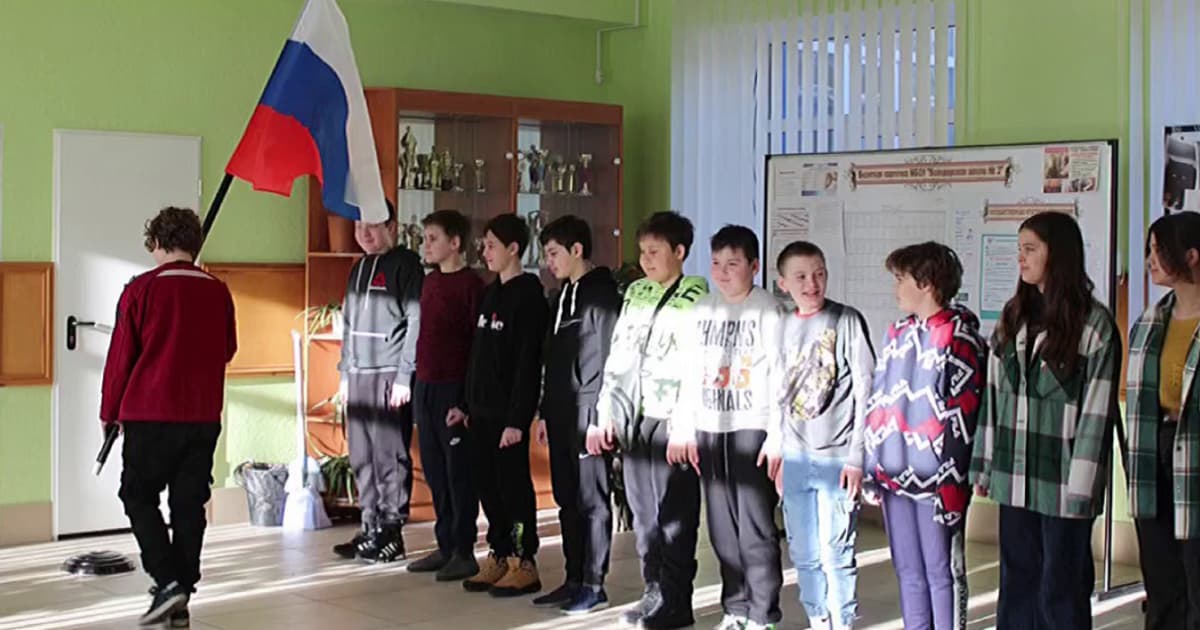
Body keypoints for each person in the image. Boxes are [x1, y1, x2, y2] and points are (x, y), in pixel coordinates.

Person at [969, 211, 1121, 630]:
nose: (1021, 258)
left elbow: (1096, 413)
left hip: (1065, 484)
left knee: (1061, 587)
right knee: (1017, 582)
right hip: (1015, 477)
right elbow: (993, 397)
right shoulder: (1013, 315)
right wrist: (983, 465)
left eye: (1030, 249)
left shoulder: (1094, 325)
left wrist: (1083, 491)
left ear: (1060, 254)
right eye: (1019, 249)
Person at [101, 207, 237, 627]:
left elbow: (121, 357)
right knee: (188, 503)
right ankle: (182, 590)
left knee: (138, 496)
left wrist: (110, 411)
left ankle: (166, 580)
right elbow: (228, 348)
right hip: (201, 415)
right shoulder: (219, 290)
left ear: (157, 243)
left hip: (149, 412)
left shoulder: (141, 290)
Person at [595, 211, 709, 629]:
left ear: (679, 253)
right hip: (636, 416)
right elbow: (619, 356)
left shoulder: (698, 298)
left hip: (674, 422)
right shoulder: (636, 293)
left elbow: (697, 368)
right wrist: (607, 411)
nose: (646, 260)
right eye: (642, 252)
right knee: (643, 513)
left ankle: (677, 599)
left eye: (655, 252)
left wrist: (685, 424)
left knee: (674, 515)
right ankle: (653, 590)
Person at [668, 225, 786, 630]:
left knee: (754, 527)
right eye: (716, 263)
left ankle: (763, 612)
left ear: (754, 266)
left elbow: (782, 377)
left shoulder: (767, 309)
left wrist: (777, 435)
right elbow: (687, 371)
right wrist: (683, 428)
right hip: (709, 427)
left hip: (751, 427)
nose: (722, 271)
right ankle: (735, 608)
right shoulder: (703, 308)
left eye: (732, 263)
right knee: (720, 529)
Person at [863, 242, 986, 630]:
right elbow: (878, 402)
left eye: (901, 279)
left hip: (938, 484)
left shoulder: (961, 340)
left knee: (941, 571)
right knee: (906, 567)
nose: (895, 288)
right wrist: (873, 466)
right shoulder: (896, 334)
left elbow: (965, 416)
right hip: (895, 478)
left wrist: (954, 481)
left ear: (927, 282)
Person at [776, 240, 875, 630]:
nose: (812, 283)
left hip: (837, 457)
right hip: (796, 456)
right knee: (803, 550)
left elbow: (867, 389)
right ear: (783, 283)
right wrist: (780, 452)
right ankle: (819, 617)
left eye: (819, 273)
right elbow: (776, 393)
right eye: (801, 276)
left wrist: (857, 456)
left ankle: (843, 620)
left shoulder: (846, 320)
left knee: (837, 550)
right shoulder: (781, 325)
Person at [530, 215, 622, 615]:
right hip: (561, 412)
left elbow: (605, 361)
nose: (549, 262)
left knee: (592, 501)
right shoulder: (559, 297)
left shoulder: (601, 295)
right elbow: (552, 360)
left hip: (590, 412)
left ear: (577, 250)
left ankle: (594, 582)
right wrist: (545, 412)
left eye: (554, 253)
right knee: (567, 499)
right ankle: (572, 577)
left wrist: (601, 417)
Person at [457, 213, 549, 597]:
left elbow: (528, 364)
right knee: (487, 486)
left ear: (514, 249)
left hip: (507, 418)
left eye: (492, 245)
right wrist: (465, 404)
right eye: (484, 244)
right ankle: (498, 552)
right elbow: (478, 356)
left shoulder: (529, 296)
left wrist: (517, 419)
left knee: (514, 489)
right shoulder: (490, 292)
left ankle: (523, 560)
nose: (485, 251)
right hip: (480, 413)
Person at [332, 200, 423, 564]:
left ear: (392, 226)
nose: (364, 234)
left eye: (372, 225)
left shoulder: (406, 266)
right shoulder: (359, 269)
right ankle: (369, 525)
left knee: (389, 455)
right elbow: (349, 322)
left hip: (388, 374)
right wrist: (344, 372)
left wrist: (405, 375)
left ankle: (391, 529)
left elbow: (416, 321)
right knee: (361, 455)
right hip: (358, 375)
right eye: (358, 227)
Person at [1126, 211, 1200, 630]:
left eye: (1159, 251)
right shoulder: (1152, 320)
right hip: (1155, 455)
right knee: (1161, 574)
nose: (1151, 260)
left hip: (1196, 457)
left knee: (1196, 572)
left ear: (1191, 256)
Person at [404, 209, 483, 582]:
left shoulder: (471, 286)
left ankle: (464, 550)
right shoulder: (429, 282)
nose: (427, 245)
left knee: (458, 474)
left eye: (433, 238)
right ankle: (446, 543)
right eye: (425, 238)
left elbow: (477, 347)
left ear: (455, 243)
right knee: (434, 470)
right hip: (427, 385)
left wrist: (465, 401)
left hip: (454, 388)